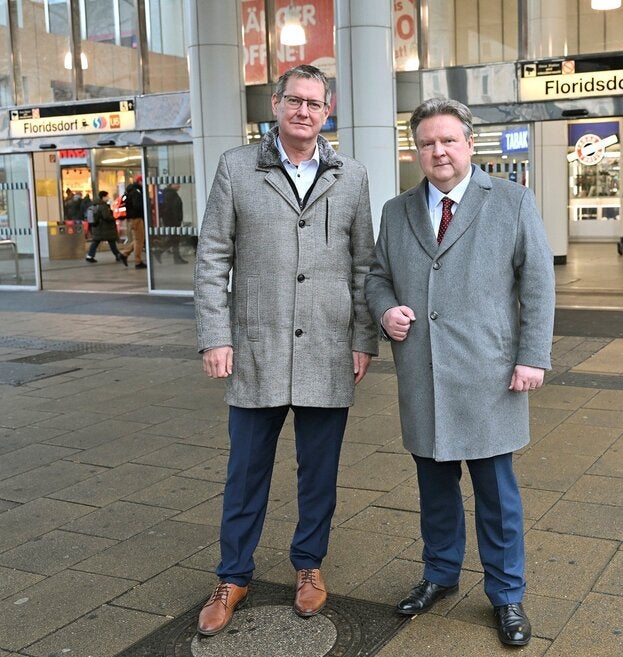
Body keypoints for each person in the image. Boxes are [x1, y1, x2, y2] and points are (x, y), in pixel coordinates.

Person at [194, 64, 378, 637]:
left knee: (318, 474)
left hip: (328, 348)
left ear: (329, 112)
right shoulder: (236, 168)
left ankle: (309, 565)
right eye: (293, 101)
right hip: (257, 347)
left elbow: (363, 265)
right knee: (245, 471)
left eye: (314, 104)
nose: (303, 111)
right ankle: (233, 574)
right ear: (275, 105)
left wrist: (363, 339)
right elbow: (212, 260)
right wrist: (215, 335)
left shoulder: (351, 176)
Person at [365, 98, 555, 648]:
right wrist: (385, 310)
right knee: (435, 488)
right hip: (424, 375)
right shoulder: (397, 212)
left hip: (490, 374)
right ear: (416, 151)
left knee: (497, 494)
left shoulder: (512, 201)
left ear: (470, 144)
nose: (438, 151)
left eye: (448, 140)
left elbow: (538, 284)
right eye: (427, 143)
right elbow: (378, 277)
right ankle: (440, 575)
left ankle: (507, 595)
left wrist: (532, 356)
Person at [84, 191, 126, 265]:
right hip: (104, 227)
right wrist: (114, 218)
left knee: (97, 241)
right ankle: (118, 255)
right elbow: (106, 217)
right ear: (103, 197)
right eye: (107, 196)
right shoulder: (103, 206)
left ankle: (90, 256)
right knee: (110, 241)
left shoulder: (95, 205)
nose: (108, 198)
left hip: (97, 227)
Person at [118, 175, 147, 269]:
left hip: (133, 218)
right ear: (140, 181)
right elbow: (138, 206)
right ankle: (138, 262)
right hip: (136, 218)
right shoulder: (136, 192)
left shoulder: (131, 190)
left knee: (137, 239)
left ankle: (125, 254)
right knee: (140, 240)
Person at [154, 183, 188, 264]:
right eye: (176, 184)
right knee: (174, 239)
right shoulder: (170, 194)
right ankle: (160, 252)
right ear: (170, 185)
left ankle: (176, 257)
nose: (179, 185)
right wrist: (175, 220)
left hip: (172, 220)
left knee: (174, 240)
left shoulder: (170, 193)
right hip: (172, 221)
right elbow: (169, 209)